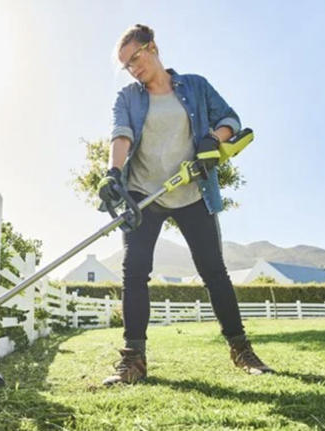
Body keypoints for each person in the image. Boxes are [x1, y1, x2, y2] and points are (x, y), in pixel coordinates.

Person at [96, 24, 274, 386]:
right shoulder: (128, 97)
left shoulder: (195, 86)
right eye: (126, 65)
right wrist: (113, 173)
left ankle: (242, 350)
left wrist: (212, 139)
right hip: (144, 194)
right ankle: (133, 360)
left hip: (192, 192)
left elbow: (230, 119)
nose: (133, 68)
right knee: (134, 273)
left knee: (214, 272)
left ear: (153, 47)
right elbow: (121, 133)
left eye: (136, 57)